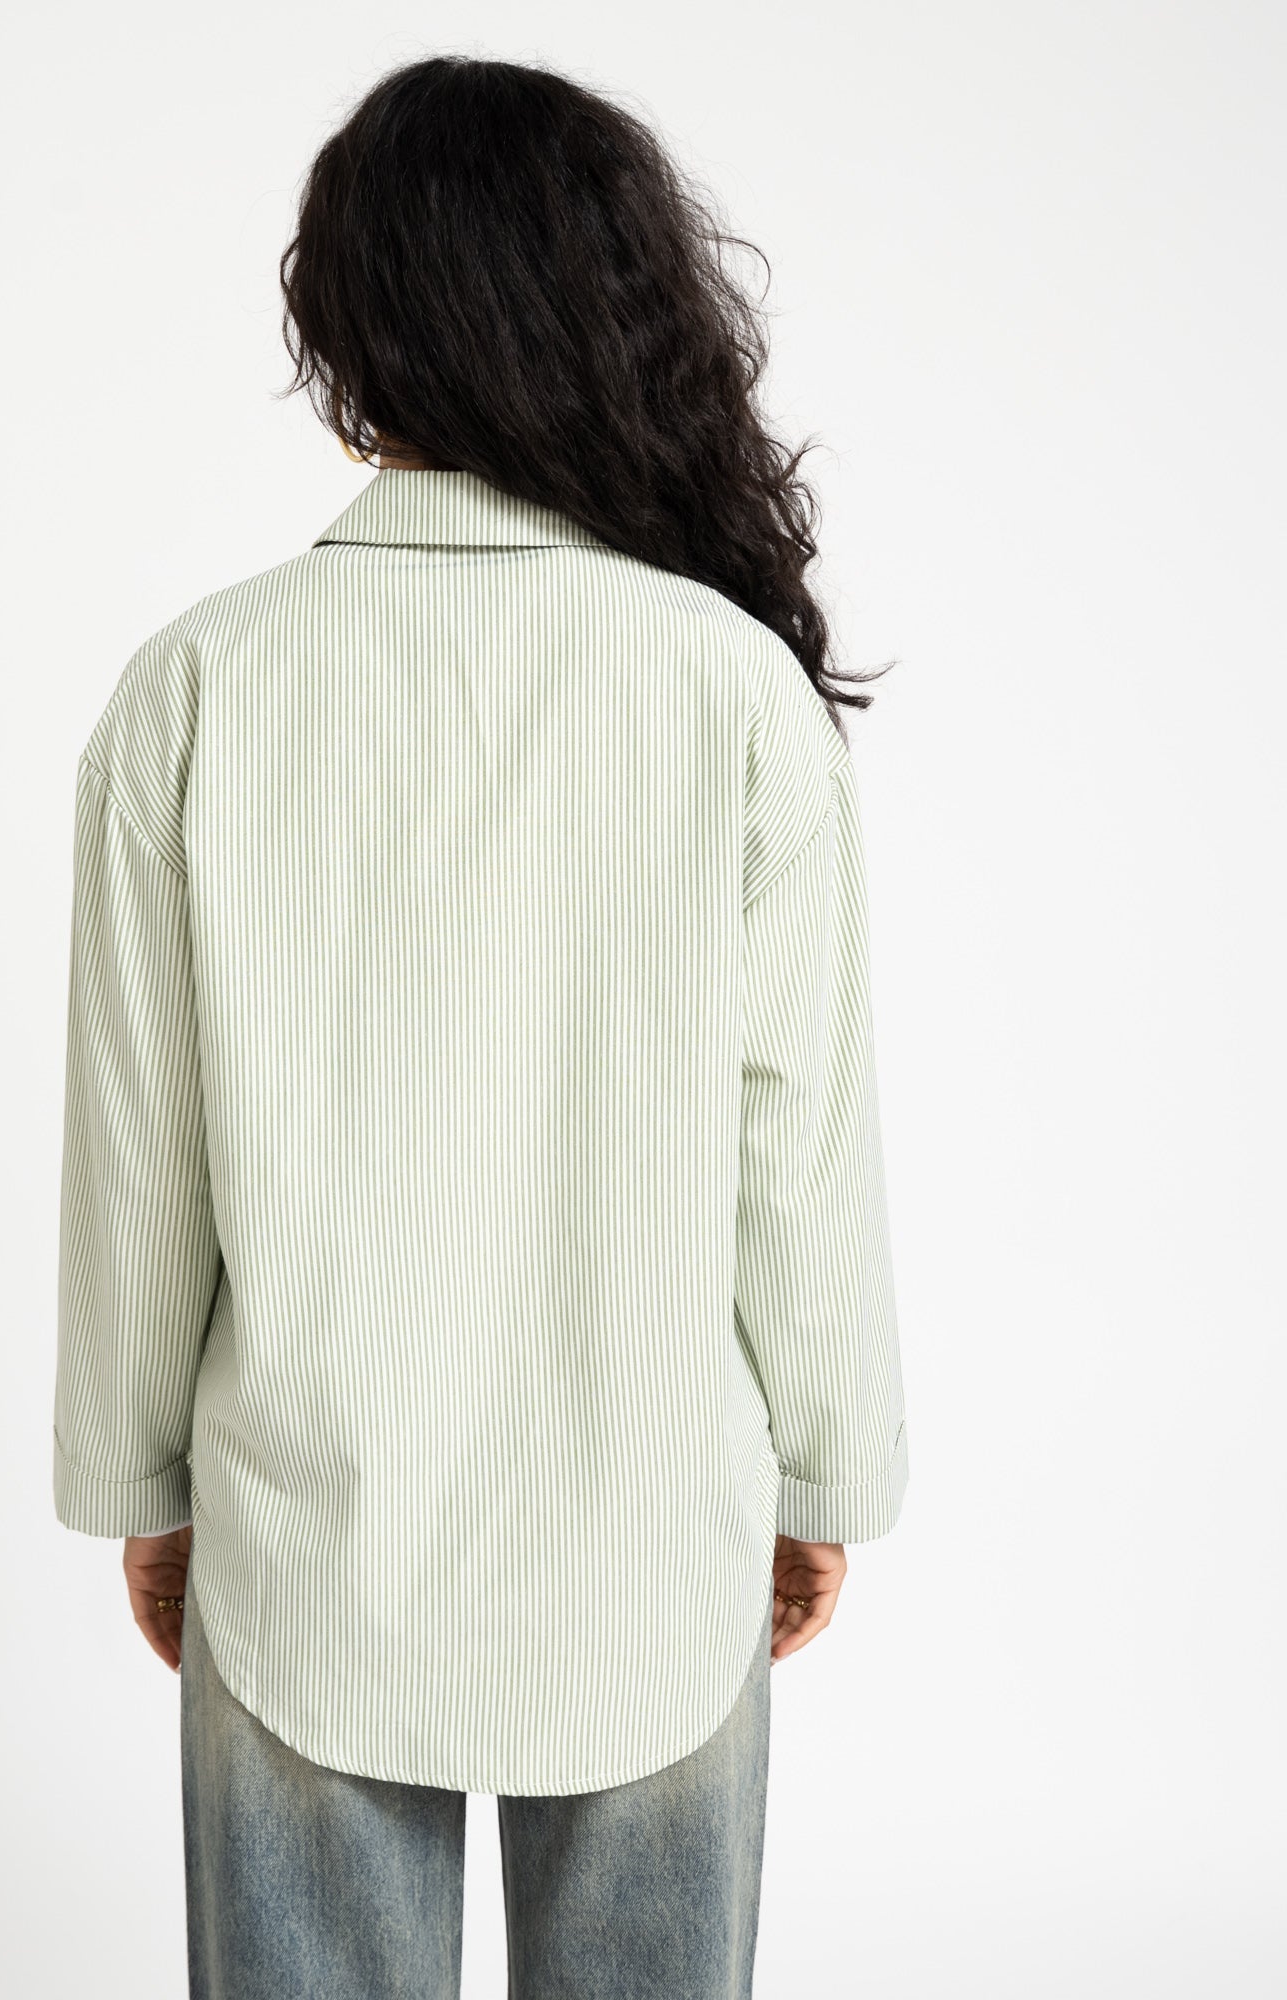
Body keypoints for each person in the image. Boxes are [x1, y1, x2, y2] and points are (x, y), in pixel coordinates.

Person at [52, 52, 909, 2000]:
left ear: (347, 323)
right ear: (617, 304)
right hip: (654, 1530)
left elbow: (139, 1147)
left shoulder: (197, 689)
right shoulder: (731, 694)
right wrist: (818, 1478)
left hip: (302, 1534)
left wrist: (143, 1487)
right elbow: (796, 1140)